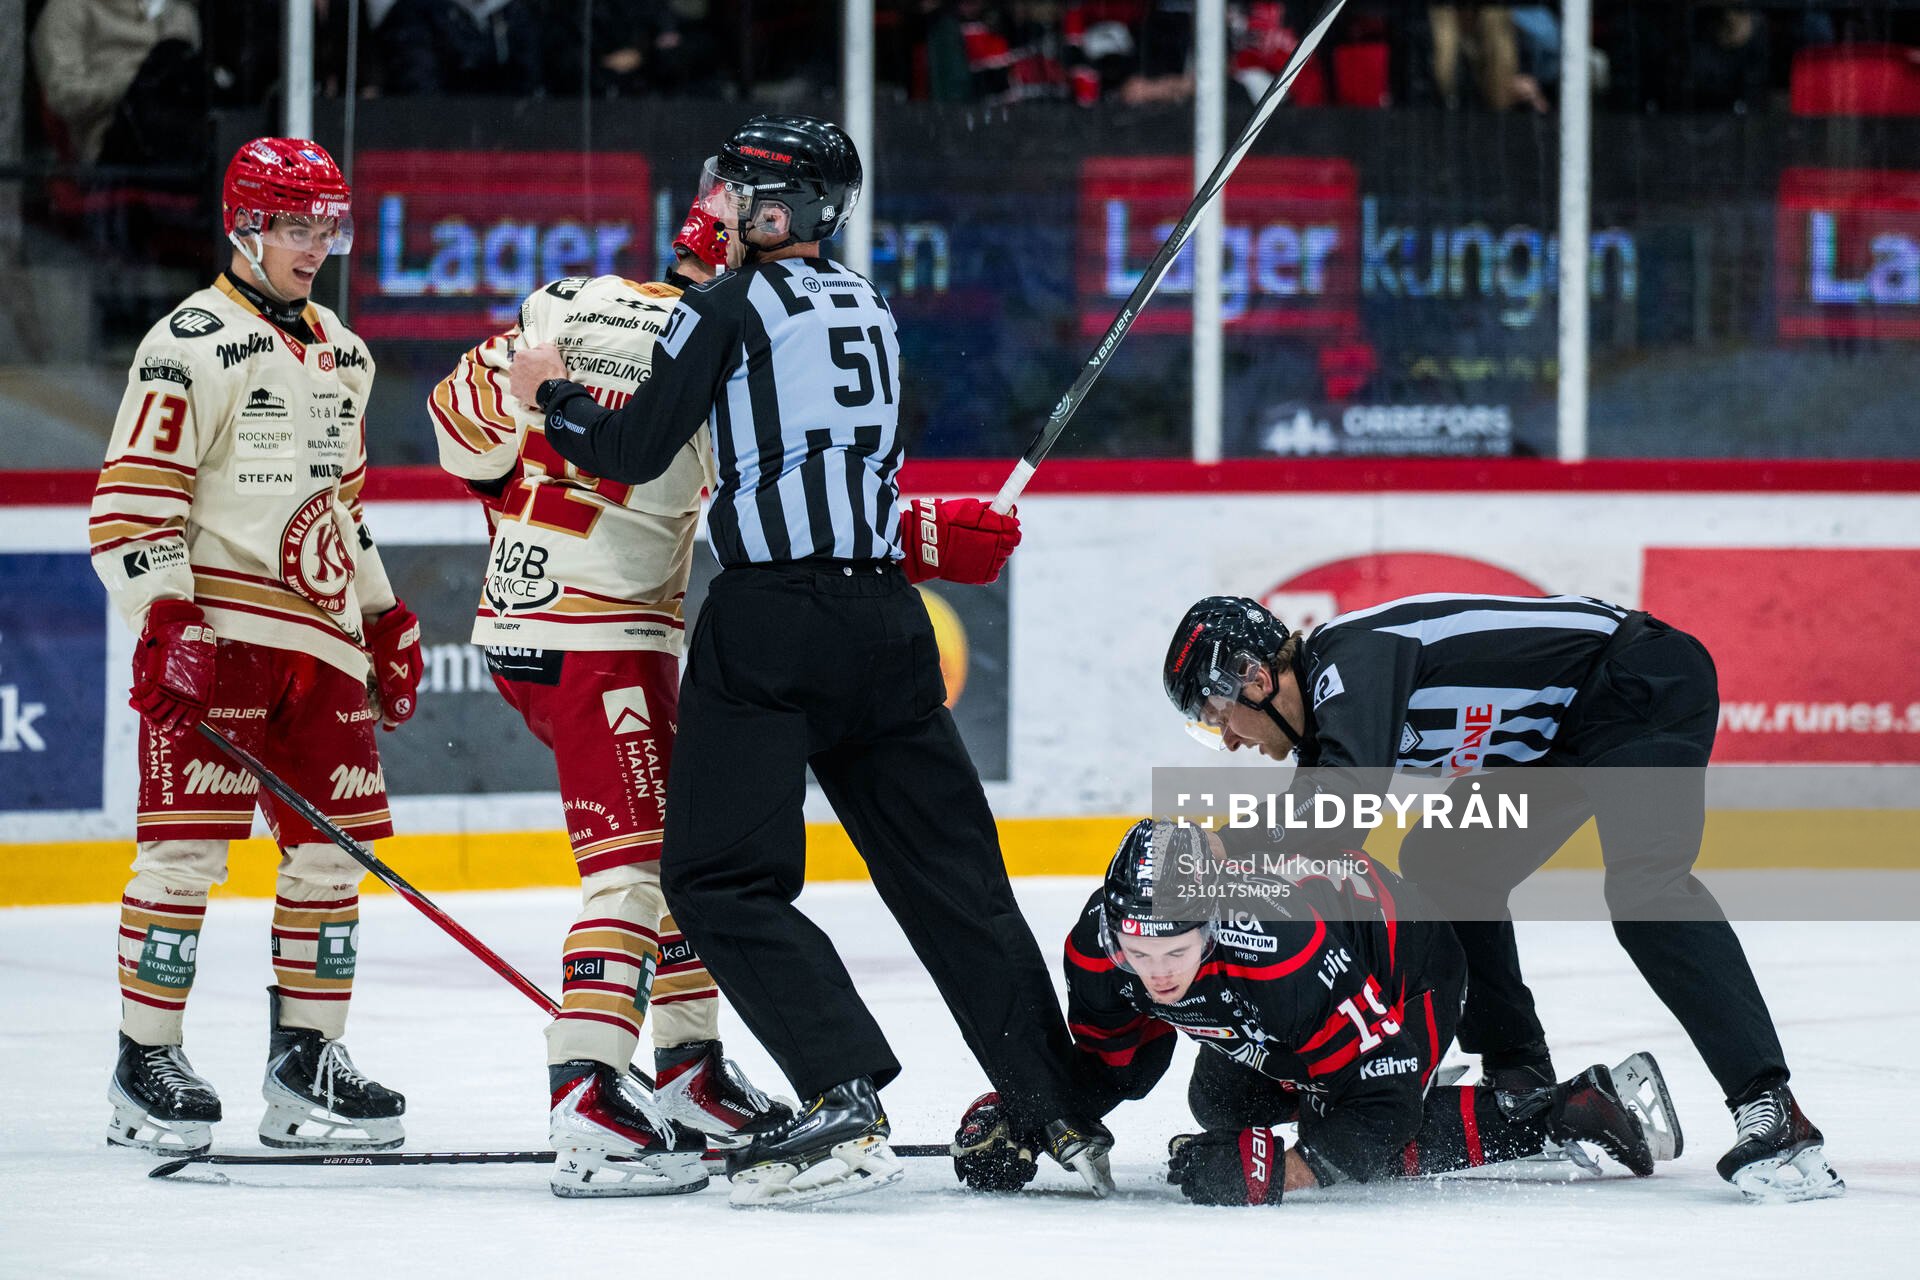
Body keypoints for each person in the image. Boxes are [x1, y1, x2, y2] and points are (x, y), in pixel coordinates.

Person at [508, 114, 1109, 1207]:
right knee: (954, 880)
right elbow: (843, 464)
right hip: (886, 621)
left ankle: (841, 1087)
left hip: (772, 623)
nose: (722, 206)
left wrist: (552, 393)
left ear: (774, 208)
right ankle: (1055, 1104)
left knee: (713, 875)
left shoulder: (722, 305)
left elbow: (633, 453)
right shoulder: (868, 303)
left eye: (736, 190)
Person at [1158, 593, 1844, 1203]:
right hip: (1564, 735)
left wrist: (1219, 848)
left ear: (1255, 677)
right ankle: (1521, 1074)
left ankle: (1770, 1106)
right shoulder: (1332, 707)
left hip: (1638, 681)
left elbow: (1339, 815)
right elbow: (1319, 850)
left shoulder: (1349, 658)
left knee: (1647, 890)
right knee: (1445, 859)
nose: (1226, 739)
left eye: (1216, 714)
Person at [429, 201, 788, 1197]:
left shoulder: (569, 298)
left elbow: (455, 421)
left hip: (526, 613)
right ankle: (585, 1094)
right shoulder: (731, 341)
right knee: (634, 869)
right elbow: (763, 502)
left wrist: (523, 497)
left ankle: (687, 1068)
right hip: (605, 632)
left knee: (683, 850)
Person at [88, 138, 421, 1157]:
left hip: (321, 644)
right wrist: (169, 617)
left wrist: (383, 612)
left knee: (329, 857)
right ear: (244, 225)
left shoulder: (344, 352)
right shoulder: (184, 343)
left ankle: (306, 1062)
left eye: (330, 225)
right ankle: (144, 1060)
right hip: (224, 634)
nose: (317, 244)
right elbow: (130, 507)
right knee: (184, 851)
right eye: (296, 224)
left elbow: (341, 510)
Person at [953, 819, 1675, 1203]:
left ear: (1214, 921)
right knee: (1219, 1101)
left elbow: (1383, 1110)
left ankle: (1565, 1109)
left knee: (1361, 1137)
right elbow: (1119, 1065)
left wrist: (1281, 1172)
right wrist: (1031, 1111)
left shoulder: (1278, 951)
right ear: (1112, 927)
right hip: (1300, 995)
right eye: (1138, 952)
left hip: (1409, 969)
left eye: (1178, 950)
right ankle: (1327, 1072)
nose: (1158, 974)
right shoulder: (1097, 948)